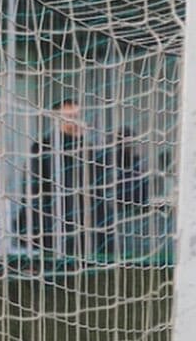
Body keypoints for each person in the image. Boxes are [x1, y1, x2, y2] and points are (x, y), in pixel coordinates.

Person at [15, 98, 95, 257]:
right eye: (69, 117)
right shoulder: (42, 147)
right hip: (50, 225)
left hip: (81, 225)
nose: (75, 122)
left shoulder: (88, 150)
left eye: (77, 116)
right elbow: (33, 189)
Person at [93, 127, 151, 257]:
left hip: (126, 212)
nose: (131, 145)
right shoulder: (106, 161)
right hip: (113, 212)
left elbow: (141, 192)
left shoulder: (134, 162)